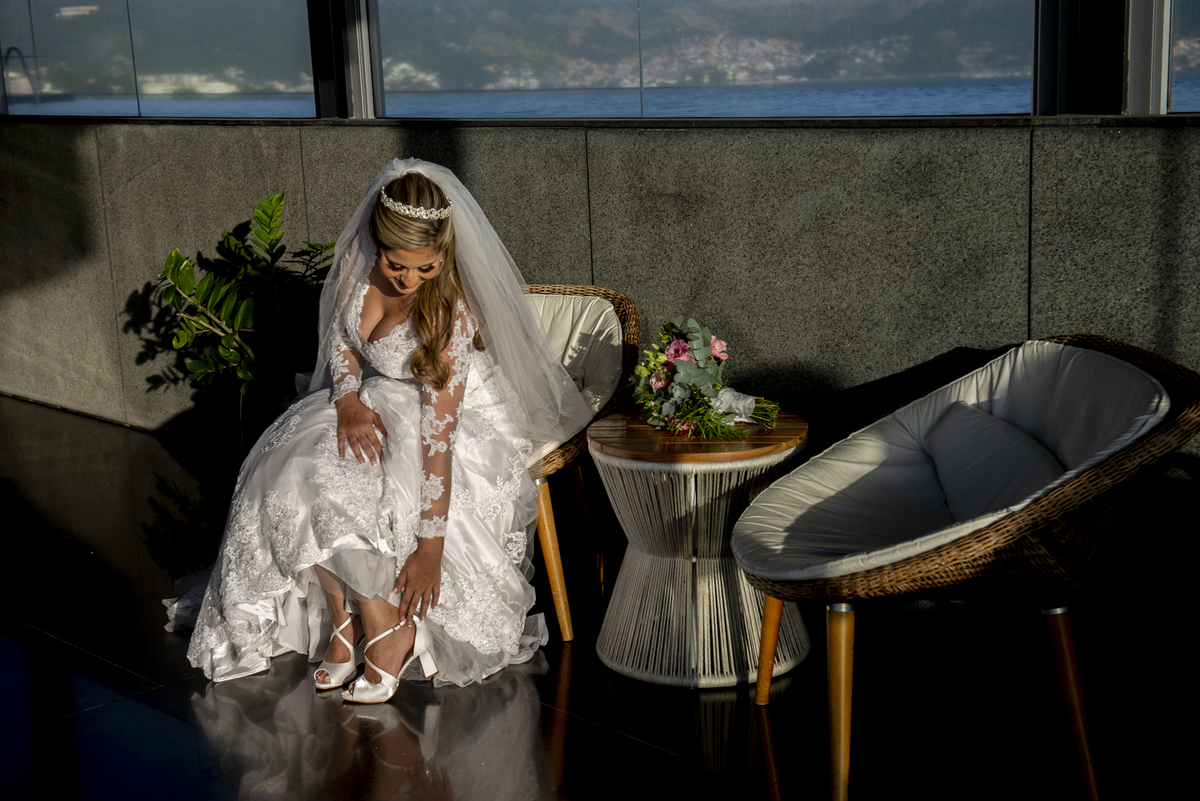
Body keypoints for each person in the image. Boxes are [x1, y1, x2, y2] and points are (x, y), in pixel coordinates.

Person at [185, 159, 591, 700]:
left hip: (449, 419)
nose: (410, 280)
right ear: (377, 242)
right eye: (399, 265)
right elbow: (344, 342)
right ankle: (345, 620)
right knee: (286, 465)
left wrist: (430, 548)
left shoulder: (449, 316)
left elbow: (438, 443)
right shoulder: (360, 263)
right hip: (377, 393)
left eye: (427, 268)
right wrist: (348, 398)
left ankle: (388, 629)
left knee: (350, 487)